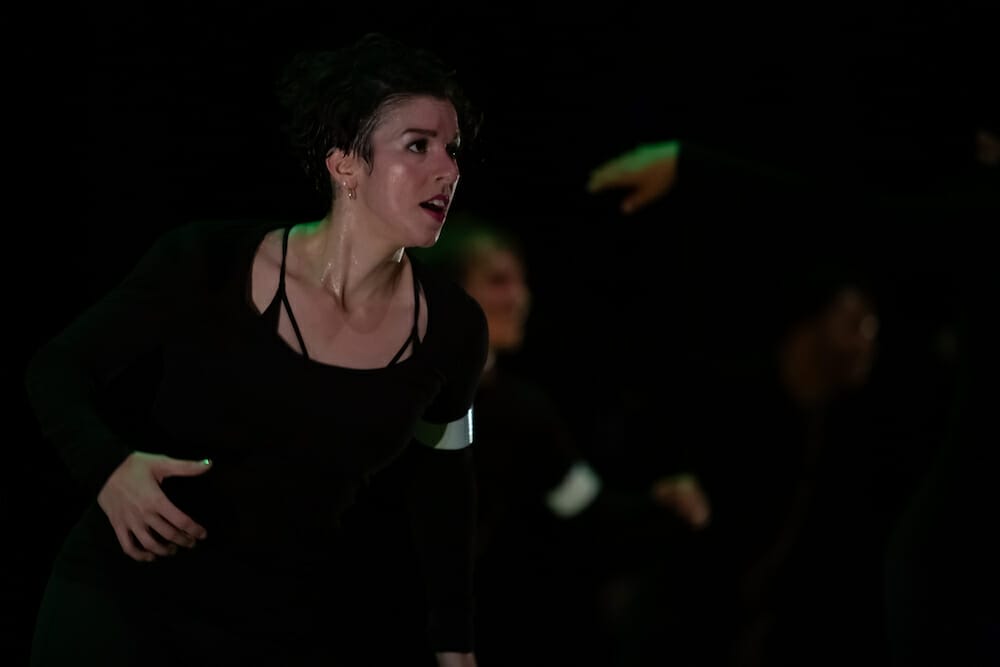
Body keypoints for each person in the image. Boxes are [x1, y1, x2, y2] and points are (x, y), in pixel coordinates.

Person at [24, 32, 488, 667]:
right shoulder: (208, 260)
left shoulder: (454, 327)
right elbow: (57, 368)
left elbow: (445, 489)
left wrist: (455, 644)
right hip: (124, 601)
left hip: (275, 628)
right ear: (344, 164)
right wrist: (108, 468)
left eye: (452, 150)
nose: (449, 170)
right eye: (418, 145)